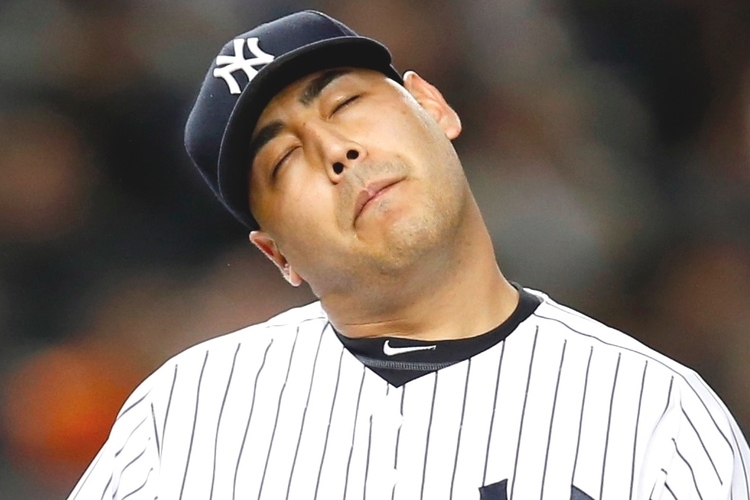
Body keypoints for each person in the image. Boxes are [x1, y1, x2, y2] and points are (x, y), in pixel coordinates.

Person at [68, 10, 750, 500]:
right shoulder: (188, 412)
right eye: (282, 160)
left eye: (346, 103)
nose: (335, 150)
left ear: (432, 104)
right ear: (278, 254)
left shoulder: (653, 411)